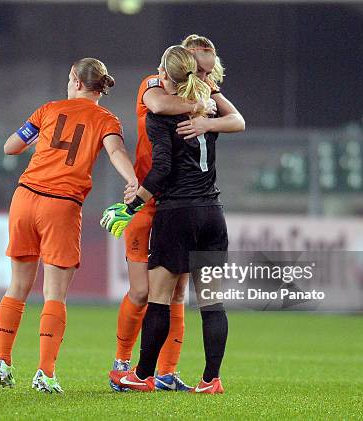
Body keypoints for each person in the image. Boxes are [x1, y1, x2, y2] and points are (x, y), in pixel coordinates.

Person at [0, 58, 138, 394]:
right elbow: (115, 151)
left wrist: (39, 139)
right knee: (54, 294)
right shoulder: (106, 119)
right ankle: (44, 372)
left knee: (17, 287)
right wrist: (131, 179)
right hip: (61, 204)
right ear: (101, 87)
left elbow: (10, 147)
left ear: (74, 80)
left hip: (25, 198)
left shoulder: (48, 110)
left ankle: (2, 361)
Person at [109, 34, 244, 392]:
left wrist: (134, 201)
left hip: (177, 213)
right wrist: (206, 112)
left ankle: (141, 376)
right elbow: (234, 119)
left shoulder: (163, 114)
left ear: (167, 75)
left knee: (159, 298)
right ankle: (210, 380)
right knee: (212, 302)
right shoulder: (206, 105)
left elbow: (162, 169)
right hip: (213, 211)